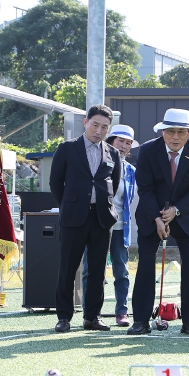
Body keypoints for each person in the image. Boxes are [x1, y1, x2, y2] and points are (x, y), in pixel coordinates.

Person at [128, 108, 189, 336]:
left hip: (186, 215)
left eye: (181, 132)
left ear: (188, 133)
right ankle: (141, 321)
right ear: (162, 132)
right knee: (145, 263)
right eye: (170, 131)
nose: (175, 137)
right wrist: (157, 217)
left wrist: (176, 210)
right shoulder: (147, 150)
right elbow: (145, 188)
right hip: (150, 215)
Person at [49, 105, 122, 333]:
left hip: (101, 218)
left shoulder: (113, 153)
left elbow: (114, 183)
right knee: (68, 269)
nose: (99, 131)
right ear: (85, 123)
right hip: (73, 217)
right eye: (95, 125)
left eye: (104, 127)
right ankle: (64, 317)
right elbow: (55, 182)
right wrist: (69, 205)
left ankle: (92, 317)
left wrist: (101, 203)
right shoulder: (67, 148)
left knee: (98, 271)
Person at [80, 124, 137, 327]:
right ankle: (90, 313)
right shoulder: (98, 163)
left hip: (120, 225)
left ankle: (122, 311)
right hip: (98, 224)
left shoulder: (131, 171)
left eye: (128, 143)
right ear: (111, 141)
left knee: (121, 270)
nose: (123, 146)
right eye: (120, 141)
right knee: (91, 270)